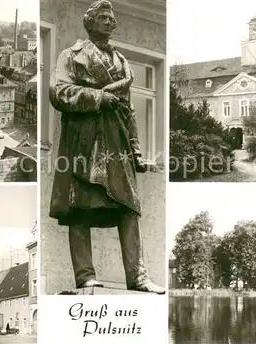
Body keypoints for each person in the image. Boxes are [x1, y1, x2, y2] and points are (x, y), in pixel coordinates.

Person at [49, 0, 165, 294]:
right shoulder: (71, 56)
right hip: (84, 140)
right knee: (80, 208)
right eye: (103, 18)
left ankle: (137, 277)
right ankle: (85, 275)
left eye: (112, 19)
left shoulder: (123, 63)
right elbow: (58, 91)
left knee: (129, 208)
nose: (110, 23)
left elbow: (129, 112)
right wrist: (97, 98)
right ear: (89, 23)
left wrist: (137, 152)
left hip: (117, 144)